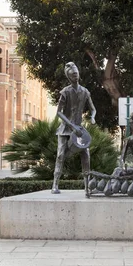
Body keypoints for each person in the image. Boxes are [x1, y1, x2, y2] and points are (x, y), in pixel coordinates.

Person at [51, 62, 96, 194]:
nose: (75, 76)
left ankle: (87, 186)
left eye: (76, 74)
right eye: (72, 75)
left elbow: (93, 109)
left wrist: (92, 117)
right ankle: (55, 184)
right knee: (60, 155)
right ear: (69, 77)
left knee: (86, 154)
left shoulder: (85, 92)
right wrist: (70, 125)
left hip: (79, 129)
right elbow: (59, 112)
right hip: (65, 129)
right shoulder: (65, 92)